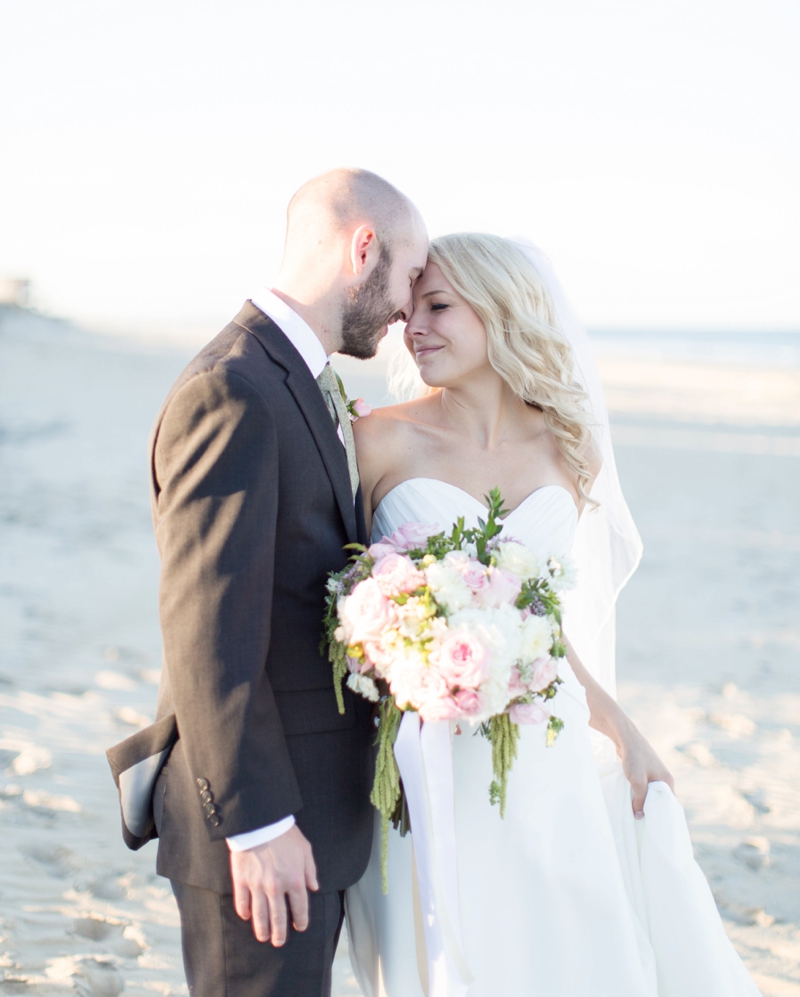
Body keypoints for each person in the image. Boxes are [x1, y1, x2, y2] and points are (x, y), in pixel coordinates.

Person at [346, 233, 761, 997]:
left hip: (547, 742)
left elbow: (542, 621)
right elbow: (336, 592)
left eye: (439, 306)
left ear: (503, 313)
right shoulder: (377, 440)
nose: (414, 328)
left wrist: (622, 730)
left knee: (562, 944)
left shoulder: (567, 448)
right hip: (427, 747)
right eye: (410, 312)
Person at [107, 168, 429, 997]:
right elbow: (205, 627)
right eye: (408, 273)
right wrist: (258, 823)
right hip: (261, 825)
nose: (408, 305)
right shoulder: (234, 388)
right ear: (363, 249)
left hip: (312, 813)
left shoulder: (297, 375)